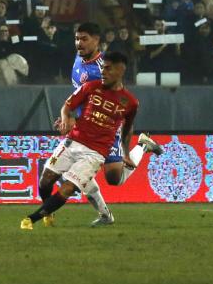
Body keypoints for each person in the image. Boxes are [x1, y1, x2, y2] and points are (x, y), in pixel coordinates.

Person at [44, 23, 162, 227]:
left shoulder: (102, 69)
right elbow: (80, 95)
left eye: (84, 39)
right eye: (77, 39)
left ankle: (142, 145)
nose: (79, 43)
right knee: (79, 172)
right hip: (84, 129)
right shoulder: (79, 59)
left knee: (114, 178)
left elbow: (115, 100)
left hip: (105, 129)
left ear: (97, 40)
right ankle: (105, 215)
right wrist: (69, 117)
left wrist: (75, 120)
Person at [20, 51, 139, 230]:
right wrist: (66, 119)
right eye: (102, 68)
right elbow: (67, 106)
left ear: (120, 70)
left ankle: (31, 219)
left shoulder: (130, 102)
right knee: (45, 181)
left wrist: (126, 152)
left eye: (107, 68)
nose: (103, 72)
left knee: (69, 187)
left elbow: (128, 128)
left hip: (95, 153)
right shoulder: (91, 87)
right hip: (72, 142)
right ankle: (48, 211)